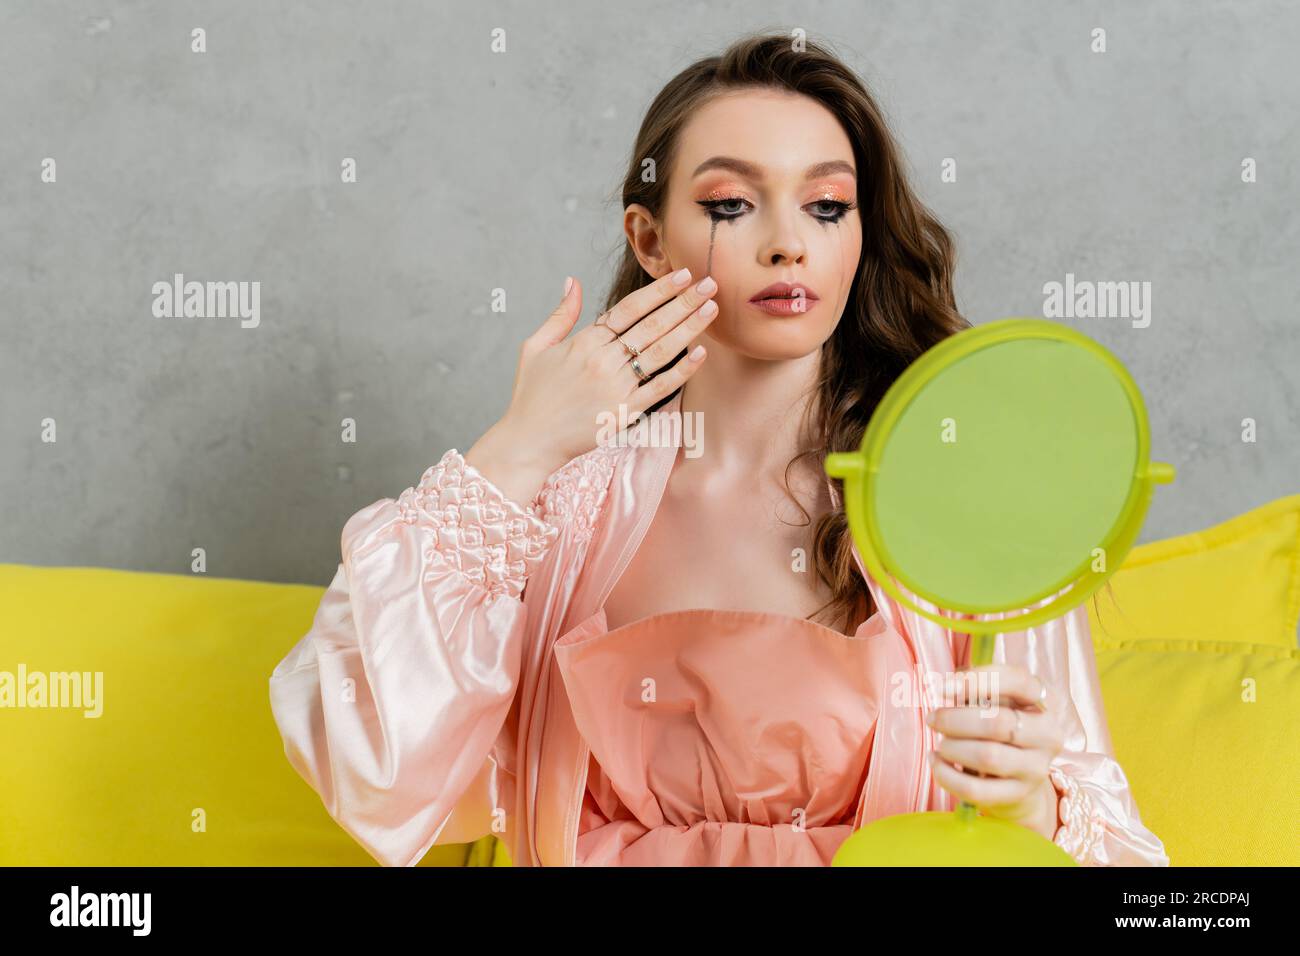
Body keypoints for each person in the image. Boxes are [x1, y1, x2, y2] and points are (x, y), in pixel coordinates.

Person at [268, 31, 1169, 867]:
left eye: (826, 206)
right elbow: (373, 774)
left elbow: (1129, 865)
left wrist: (1028, 814)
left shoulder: (970, 509)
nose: (786, 244)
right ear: (649, 240)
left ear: (861, 235)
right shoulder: (561, 508)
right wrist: (518, 450)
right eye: (732, 204)